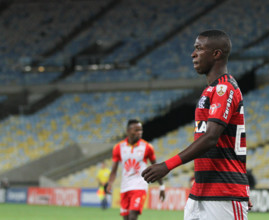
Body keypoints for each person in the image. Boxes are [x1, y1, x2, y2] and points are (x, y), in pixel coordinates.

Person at [142, 30, 252, 220]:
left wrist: (167, 165)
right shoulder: (210, 90)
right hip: (200, 193)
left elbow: (210, 138)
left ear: (216, 54)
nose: (193, 54)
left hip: (223, 194)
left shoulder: (224, 88)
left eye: (199, 49)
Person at [106, 119, 165, 220]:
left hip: (139, 186)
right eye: (136, 130)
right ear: (128, 131)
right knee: (126, 218)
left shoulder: (147, 147)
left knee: (133, 216)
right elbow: (114, 170)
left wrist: (162, 186)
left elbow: (156, 167)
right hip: (125, 187)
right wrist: (110, 183)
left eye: (141, 130)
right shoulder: (118, 147)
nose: (139, 133)